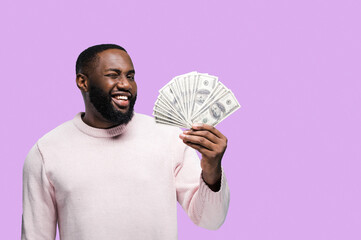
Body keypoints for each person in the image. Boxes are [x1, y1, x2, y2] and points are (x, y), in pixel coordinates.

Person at [22, 44, 230, 240]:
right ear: (82, 82)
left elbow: (210, 220)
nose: (125, 85)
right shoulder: (47, 152)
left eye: (130, 76)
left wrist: (212, 169)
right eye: (113, 75)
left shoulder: (169, 137)